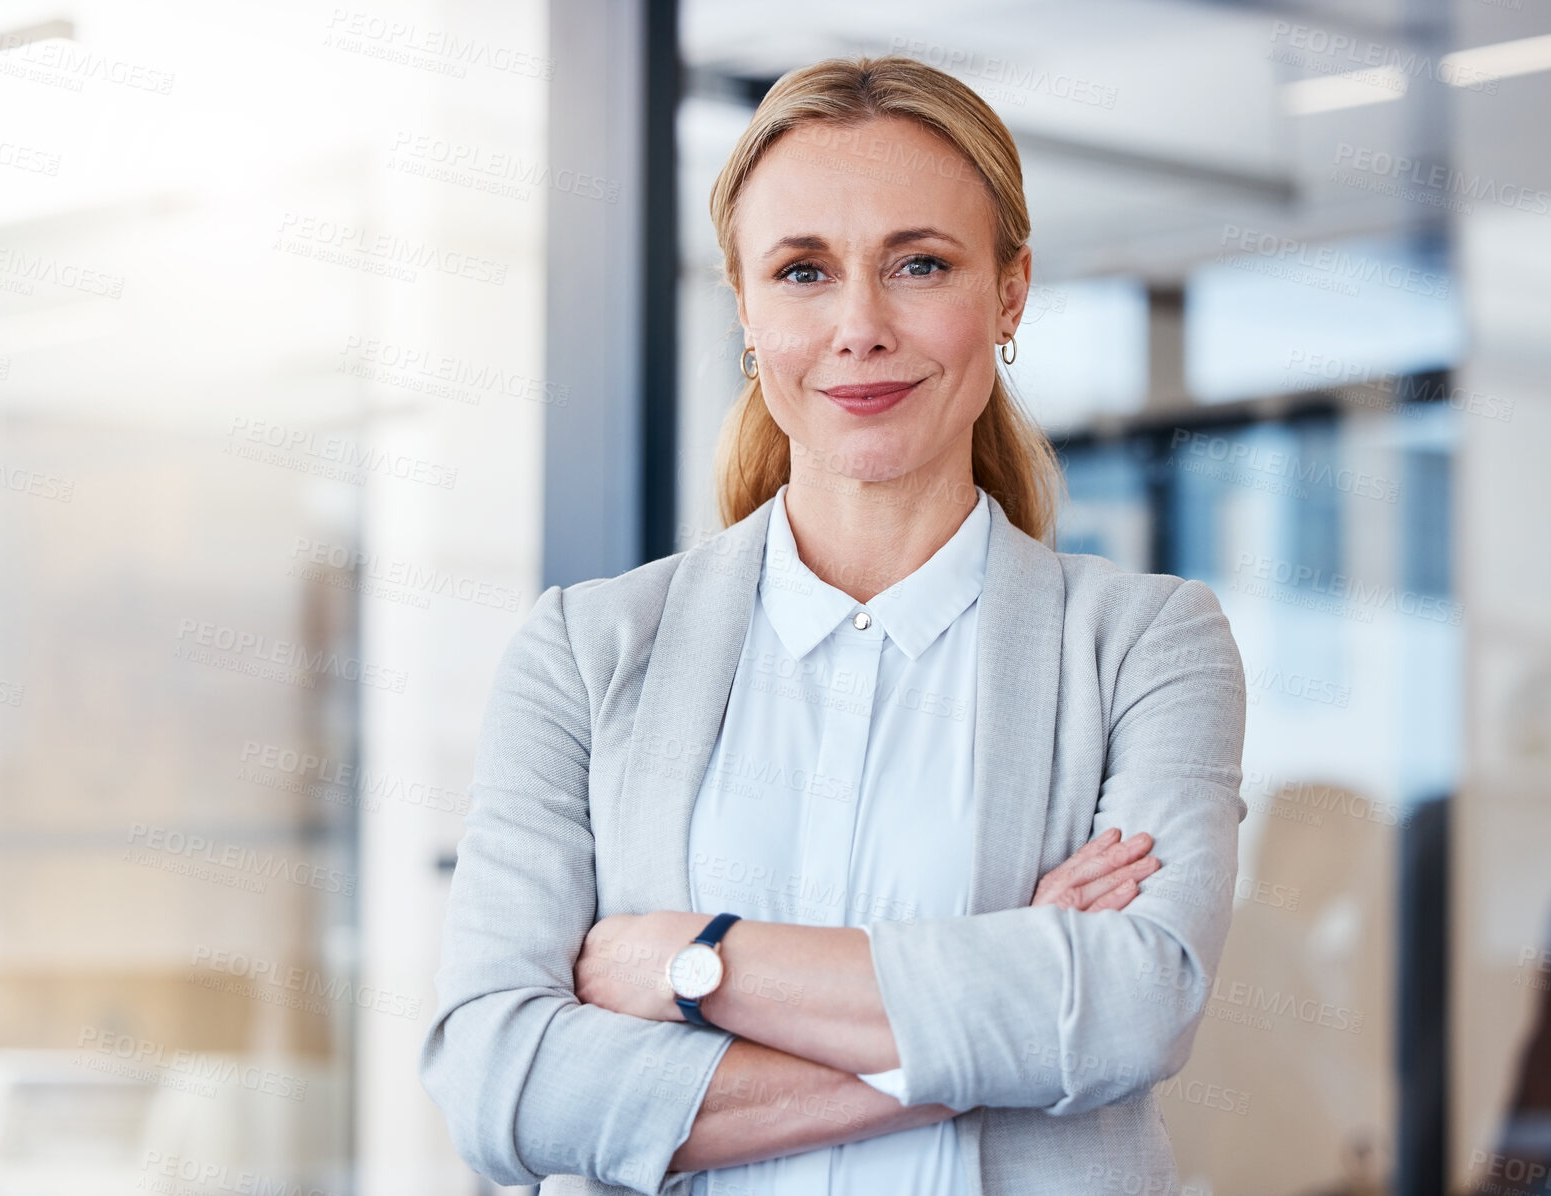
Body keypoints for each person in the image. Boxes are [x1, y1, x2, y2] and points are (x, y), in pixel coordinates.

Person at [420, 53, 1248, 1196]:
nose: (859, 325)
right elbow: (502, 1084)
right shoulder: (584, 651)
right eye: (804, 270)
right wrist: (983, 1035)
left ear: (1010, 292)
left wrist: (687, 960)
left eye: (919, 263)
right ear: (746, 308)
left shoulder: (1147, 645)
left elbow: (1131, 1005)